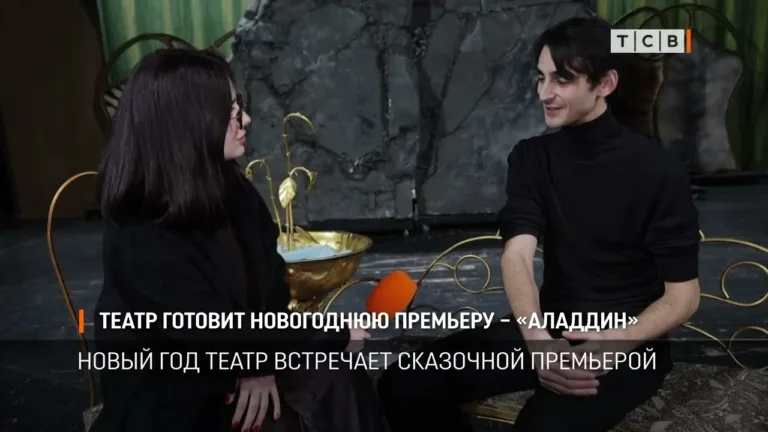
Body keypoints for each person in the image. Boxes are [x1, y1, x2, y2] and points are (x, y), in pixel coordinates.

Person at [377, 17, 701, 431]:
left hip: (629, 344)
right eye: (541, 77)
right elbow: (518, 254)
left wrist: (613, 343)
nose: (544, 93)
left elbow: (683, 297)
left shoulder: (658, 169)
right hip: (546, 327)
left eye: (562, 80)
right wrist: (538, 340)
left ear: (605, 84)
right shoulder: (531, 157)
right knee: (406, 383)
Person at [90, 48, 387, 432]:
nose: (246, 120)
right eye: (229, 112)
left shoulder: (232, 188)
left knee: (338, 377)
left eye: (240, 106)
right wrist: (331, 336)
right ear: (188, 121)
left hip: (237, 359)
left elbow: (271, 290)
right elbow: (206, 335)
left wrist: (260, 365)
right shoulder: (138, 228)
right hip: (176, 393)